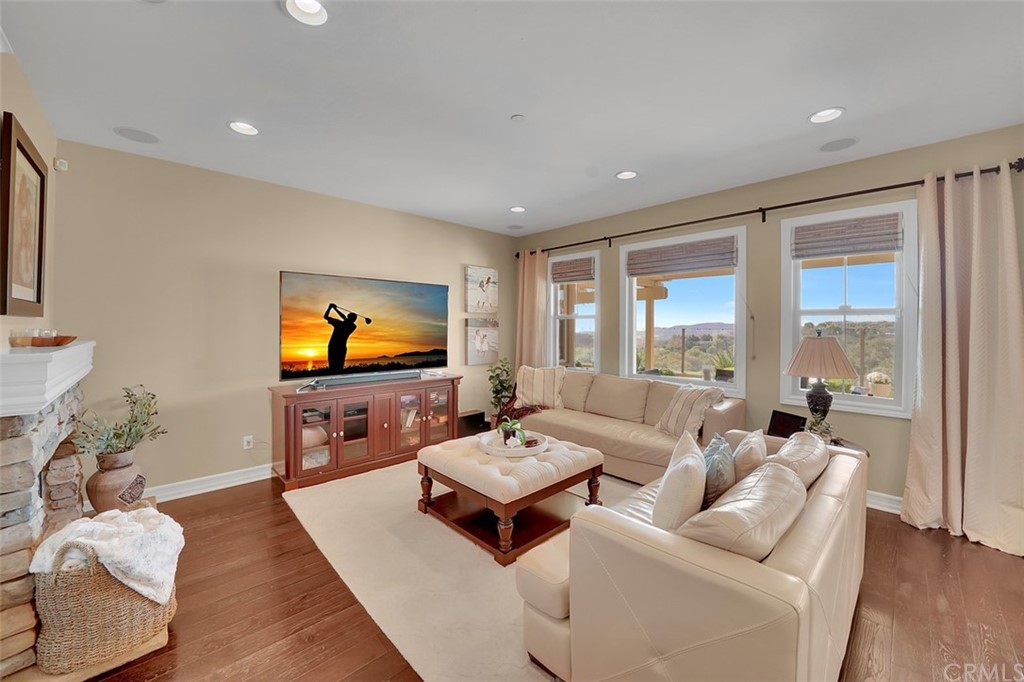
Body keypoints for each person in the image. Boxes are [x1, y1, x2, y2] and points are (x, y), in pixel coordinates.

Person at [323, 303, 359, 373]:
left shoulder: (347, 325)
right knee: (335, 365)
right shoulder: (351, 326)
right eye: (354, 318)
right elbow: (325, 317)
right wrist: (333, 308)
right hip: (337, 346)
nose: (354, 320)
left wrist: (332, 308)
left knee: (337, 366)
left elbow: (326, 316)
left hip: (335, 346)